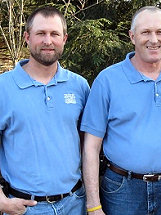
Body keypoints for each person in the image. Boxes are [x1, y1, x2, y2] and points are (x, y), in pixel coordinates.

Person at [80, 6, 161, 215]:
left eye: (160, 32)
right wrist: (93, 204)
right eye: (146, 32)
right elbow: (91, 146)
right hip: (121, 189)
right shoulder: (108, 80)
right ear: (132, 36)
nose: (153, 39)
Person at [0, 6, 90, 215]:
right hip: (24, 207)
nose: (48, 41)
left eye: (54, 34)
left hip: (75, 203)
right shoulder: (3, 87)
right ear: (27, 37)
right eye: (40, 33)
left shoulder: (79, 86)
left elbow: (89, 143)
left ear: (64, 39)